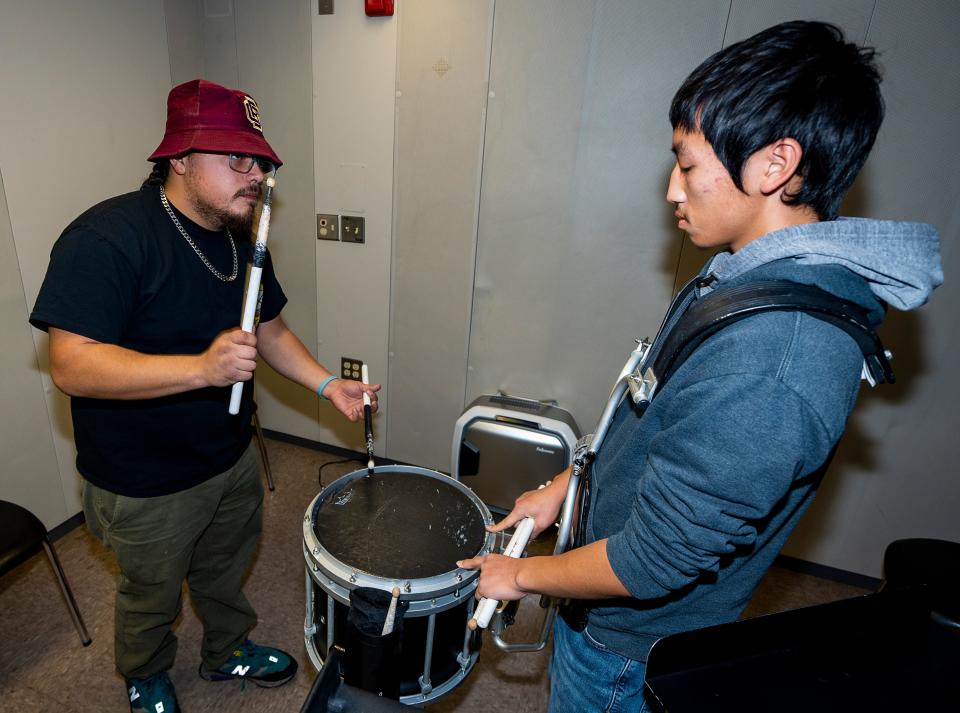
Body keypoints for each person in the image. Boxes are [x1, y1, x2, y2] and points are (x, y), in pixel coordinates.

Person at [458, 20, 943, 712]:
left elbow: (650, 561)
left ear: (774, 165)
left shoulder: (776, 362)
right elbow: (644, 412)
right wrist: (567, 486)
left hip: (626, 647)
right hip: (604, 612)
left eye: (688, 165)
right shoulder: (741, 279)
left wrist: (522, 576)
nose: (673, 191)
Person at [29, 79, 379, 713]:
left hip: (229, 454)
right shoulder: (107, 238)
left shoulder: (239, 234)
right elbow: (72, 365)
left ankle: (225, 650)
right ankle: (145, 671)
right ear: (179, 158)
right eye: (234, 159)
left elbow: (266, 328)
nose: (253, 176)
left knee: (226, 569)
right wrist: (200, 369)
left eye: (260, 162)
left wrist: (328, 385)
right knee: (151, 593)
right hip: (143, 479)